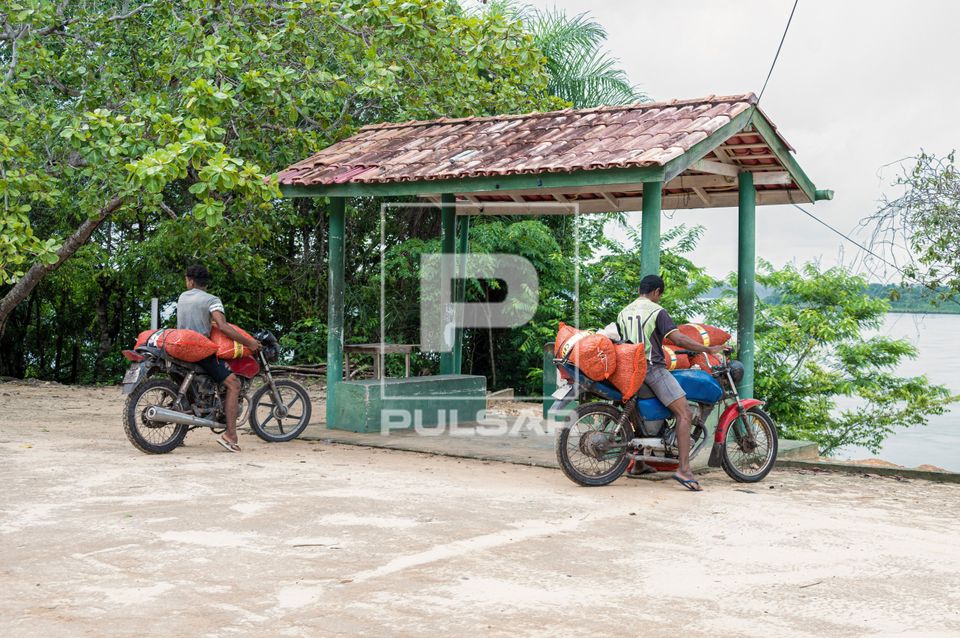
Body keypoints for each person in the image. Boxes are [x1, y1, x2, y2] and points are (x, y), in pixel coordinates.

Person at [599, 274, 725, 491]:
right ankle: (684, 469)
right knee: (684, 413)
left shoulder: (623, 312)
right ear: (656, 292)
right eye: (660, 294)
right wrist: (707, 349)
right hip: (652, 369)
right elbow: (678, 339)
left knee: (638, 414)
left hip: (629, 370)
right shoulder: (657, 311)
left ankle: (639, 464)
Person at [177, 264, 261, 453]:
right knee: (234, 384)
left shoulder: (183, 297)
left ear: (190, 281)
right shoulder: (211, 300)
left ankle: (179, 431)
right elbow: (222, 326)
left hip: (180, 347)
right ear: (204, 282)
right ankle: (230, 435)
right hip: (198, 349)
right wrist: (249, 343)